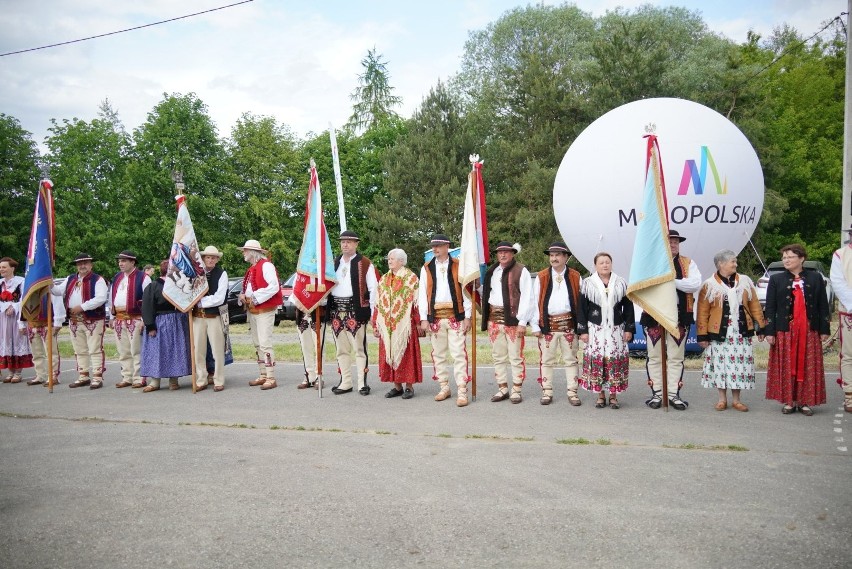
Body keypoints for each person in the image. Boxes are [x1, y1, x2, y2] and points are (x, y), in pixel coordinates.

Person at [764, 244, 830, 415]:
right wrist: (769, 332)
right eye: (784, 257)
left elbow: (823, 305)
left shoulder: (815, 278)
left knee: (807, 364)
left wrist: (824, 329)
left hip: (809, 329)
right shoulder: (776, 279)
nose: (786, 260)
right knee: (788, 364)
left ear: (801, 258)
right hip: (786, 330)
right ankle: (789, 401)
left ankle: (805, 401)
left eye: (790, 257)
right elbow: (770, 308)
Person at [696, 250, 765, 412]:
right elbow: (702, 312)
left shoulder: (745, 281)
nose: (736, 264)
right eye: (732, 261)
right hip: (719, 333)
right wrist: (702, 335)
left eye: (735, 261)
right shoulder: (709, 285)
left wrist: (761, 327)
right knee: (720, 365)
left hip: (741, 332)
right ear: (721, 264)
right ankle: (722, 399)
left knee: (739, 365)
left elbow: (754, 305)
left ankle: (737, 400)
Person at [641, 230, 701, 410]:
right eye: (670, 242)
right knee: (654, 357)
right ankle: (658, 393)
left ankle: (673, 394)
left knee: (676, 357)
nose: (673, 245)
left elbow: (694, 284)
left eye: (676, 242)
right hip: (654, 315)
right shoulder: (650, 263)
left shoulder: (688, 263)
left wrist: (670, 281)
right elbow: (643, 285)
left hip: (679, 316)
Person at [576, 252, 635, 409]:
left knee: (613, 360)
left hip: (616, 330)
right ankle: (600, 395)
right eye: (601, 262)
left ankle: (614, 396)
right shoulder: (587, 284)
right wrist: (582, 330)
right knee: (599, 360)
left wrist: (629, 328)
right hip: (595, 329)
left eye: (607, 262)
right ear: (595, 266)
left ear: (611, 264)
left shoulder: (621, 283)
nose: (605, 265)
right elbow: (581, 309)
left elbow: (628, 307)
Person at [418, 234, 472, 407]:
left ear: (447, 246)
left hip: (456, 315)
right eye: (433, 246)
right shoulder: (427, 268)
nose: (435, 249)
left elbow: (466, 292)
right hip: (435, 317)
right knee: (438, 354)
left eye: (438, 245)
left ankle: (462, 389)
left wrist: (468, 316)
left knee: (458, 354)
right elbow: (422, 295)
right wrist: (424, 318)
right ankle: (444, 387)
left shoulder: (458, 265)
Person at [530, 241, 583, 406]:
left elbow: (581, 303)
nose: (554, 258)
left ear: (566, 257)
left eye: (557, 255)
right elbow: (534, 302)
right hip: (548, 325)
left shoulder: (576, 276)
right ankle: (547, 391)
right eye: (551, 255)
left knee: (571, 360)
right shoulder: (541, 276)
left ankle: (572, 392)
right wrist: (536, 326)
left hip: (569, 325)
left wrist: (581, 327)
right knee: (547, 360)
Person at [328, 230, 378, 395]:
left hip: (355, 310)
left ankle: (362, 383)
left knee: (359, 348)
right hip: (336, 310)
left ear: (357, 244)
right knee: (341, 349)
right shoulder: (334, 263)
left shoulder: (365, 263)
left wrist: (372, 312)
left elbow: (373, 289)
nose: (345, 244)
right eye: (343, 241)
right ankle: (345, 382)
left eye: (349, 241)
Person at [482, 241, 533, 404]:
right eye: (500, 252)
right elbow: (486, 292)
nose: (502, 254)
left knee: (515, 356)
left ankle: (516, 389)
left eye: (506, 252)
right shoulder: (492, 271)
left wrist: (523, 321)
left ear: (512, 253)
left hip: (513, 319)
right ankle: (502, 387)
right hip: (494, 319)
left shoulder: (521, 270)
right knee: (498, 356)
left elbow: (527, 297)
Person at [51, 253, 108, 389]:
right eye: (79, 263)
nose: (82, 266)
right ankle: (83, 375)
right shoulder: (70, 278)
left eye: (85, 263)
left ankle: (97, 377)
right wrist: (49, 282)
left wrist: (82, 306)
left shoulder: (98, 280)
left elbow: (101, 298)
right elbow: (58, 291)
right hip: (74, 320)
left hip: (93, 319)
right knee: (79, 349)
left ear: (91, 264)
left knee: (94, 348)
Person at [374, 248, 423, 399]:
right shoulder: (384, 279)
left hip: (405, 326)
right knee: (390, 352)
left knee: (406, 355)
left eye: (392, 259)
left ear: (401, 261)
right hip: (387, 325)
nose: (389, 261)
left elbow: (416, 302)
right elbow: (378, 303)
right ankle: (396, 386)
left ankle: (409, 386)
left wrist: (419, 322)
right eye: (388, 259)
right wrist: (376, 324)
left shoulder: (411, 278)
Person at [238, 239, 282, 391]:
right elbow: (251, 288)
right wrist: (244, 296)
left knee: (265, 343)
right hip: (254, 310)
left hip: (264, 310)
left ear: (252, 252)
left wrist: (254, 297)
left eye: (245, 251)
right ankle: (263, 374)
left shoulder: (267, 266)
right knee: (257, 343)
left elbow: (274, 286)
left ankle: (270, 376)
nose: (243, 253)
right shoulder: (252, 268)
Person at [140, 261, 192, 392]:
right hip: (160, 322)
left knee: (175, 351)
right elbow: (147, 306)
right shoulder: (153, 286)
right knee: (157, 351)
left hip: (178, 322)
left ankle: (173, 380)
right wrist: (150, 326)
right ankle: (155, 381)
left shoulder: (178, 286)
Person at [109, 250, 150, 389]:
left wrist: (145, 319)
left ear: (133, 262)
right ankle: (127, 376)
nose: (120, 263)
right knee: (123, 350)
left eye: (124, 260)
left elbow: (147, 300)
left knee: (136, 350)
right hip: (119, 318)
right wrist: (112, 316)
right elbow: (111, 298)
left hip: (135, 318)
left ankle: (139, 377)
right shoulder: (117, 278)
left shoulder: (143, 277)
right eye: (119, 261)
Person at [192, 246, 228, 392]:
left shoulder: (222, 274)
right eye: (208, 257)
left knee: (217, 350)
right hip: (197, 317)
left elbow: (220, 298)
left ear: (217, 259)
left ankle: (218, 379)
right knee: (198, 350)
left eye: (213, 257)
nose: (211, 260)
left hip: (214, 316)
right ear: (204, 258)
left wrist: (200, 302)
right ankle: (201, 379)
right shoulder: (196, 274)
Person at [830, 228, 852, 414]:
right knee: (849, 354)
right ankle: (850, 396)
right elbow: (837, 282)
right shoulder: (841, 254)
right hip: (850, 311)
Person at [0, 257, 33, 382]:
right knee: (6, 341)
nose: (1, 269)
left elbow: (24, 299)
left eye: (4, 267)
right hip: (3, 317)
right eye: (0, 267)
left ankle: (18, 372)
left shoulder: (20, 282)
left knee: (18, 339)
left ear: (12, 268)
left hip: (17, 316)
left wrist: (13, 307)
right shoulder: (0, 283)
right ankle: (10, 371)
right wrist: (5, 307)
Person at [23, 291, 66, 386]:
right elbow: (23, 302)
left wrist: (58, 320)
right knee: (36, 352)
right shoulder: (28, 284)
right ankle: (40, 375)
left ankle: (53, 375)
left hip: (47, 322)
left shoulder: (48, 284)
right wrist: (21, 322)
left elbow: (57, 301)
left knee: (51, 351)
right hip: (32, 322)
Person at [296, 305, 324, 390]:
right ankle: (309, 375)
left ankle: (319, 376)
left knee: (318, 346)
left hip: (317, 310)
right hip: (302, 312)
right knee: (305, 346)